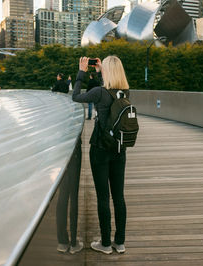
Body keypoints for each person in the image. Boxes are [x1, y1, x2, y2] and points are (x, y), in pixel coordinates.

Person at [72, 56, 129, 254]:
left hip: (100, 149)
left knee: (103, 197)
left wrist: (81, 71)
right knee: (118, 197)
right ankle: (119, 242)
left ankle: (105, 243)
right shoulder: (125, 92)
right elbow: (110, 88)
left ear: (106, 70)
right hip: (120, 150)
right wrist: (100, 71)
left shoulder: (98, 93)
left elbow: (76, 96)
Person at [56, 138, 83, 254]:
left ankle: (62, 241)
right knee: (73, 196)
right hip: (73, 149)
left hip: (58, 149)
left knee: (62, 196)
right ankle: (73, 243)